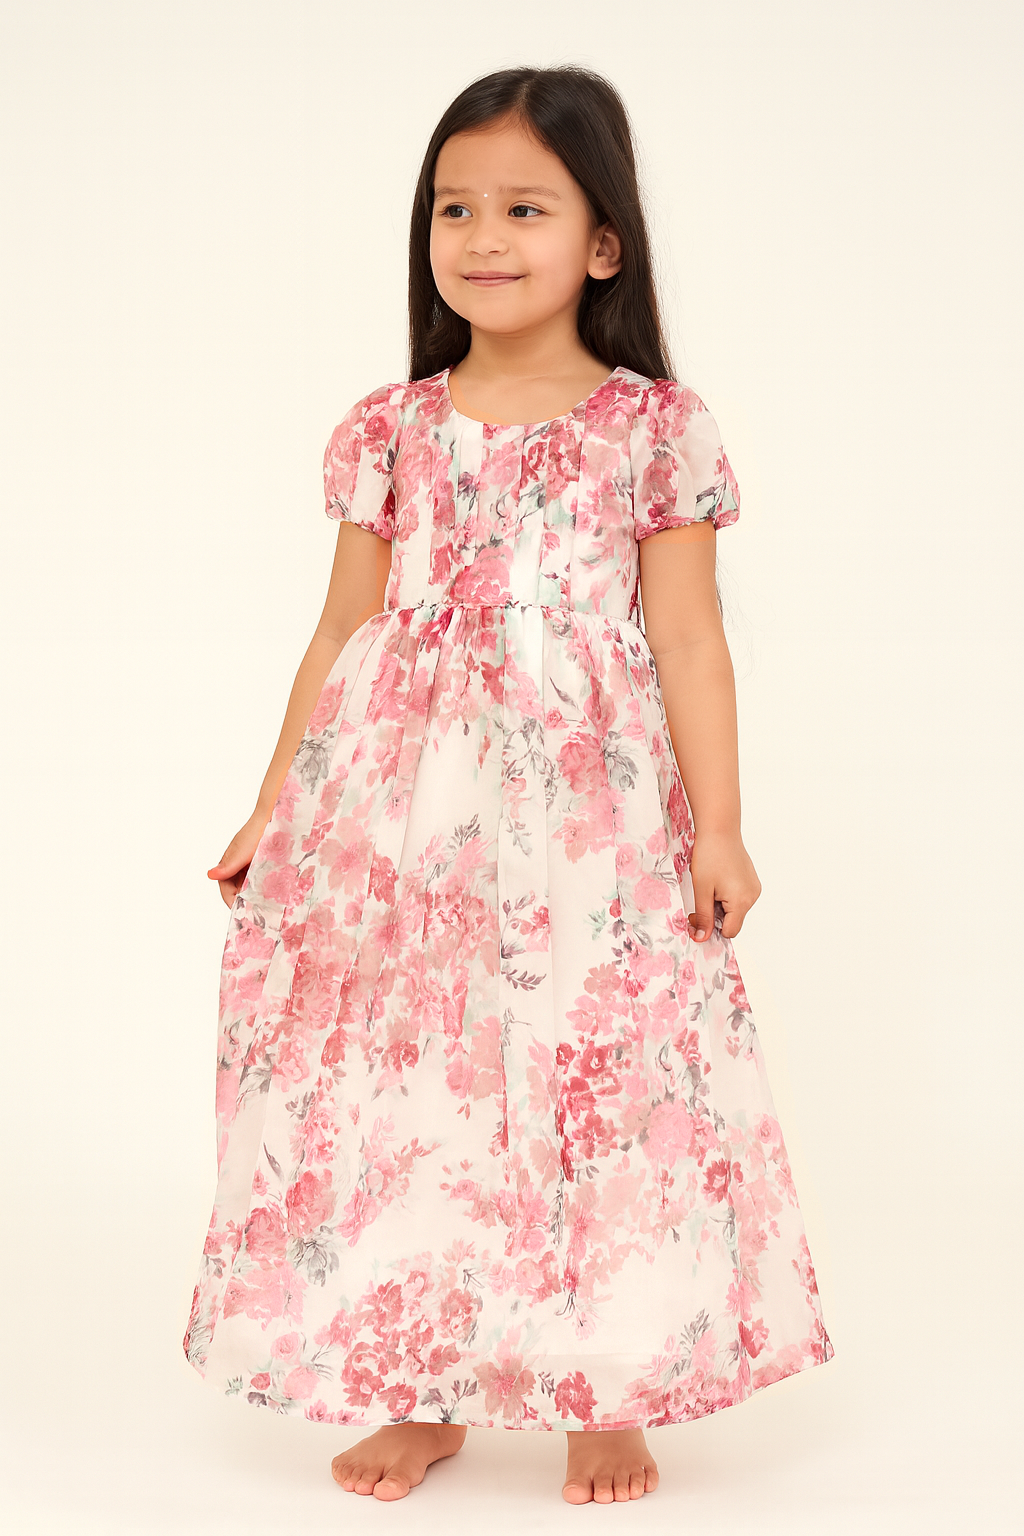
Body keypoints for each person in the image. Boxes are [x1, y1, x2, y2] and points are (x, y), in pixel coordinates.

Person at [183, 63, 834, 1506]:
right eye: (455, 208)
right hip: (401, 817)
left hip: (594, 819)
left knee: (600, 1073)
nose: (482, 236)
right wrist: (272, 806)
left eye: (525, 208)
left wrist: (721, 828)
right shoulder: (390, 427)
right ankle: (425, 1385)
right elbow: (342, 630)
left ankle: (609, 1385)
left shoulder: (653, 428)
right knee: (420, 1078)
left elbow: (687, 636)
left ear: (604, 243)